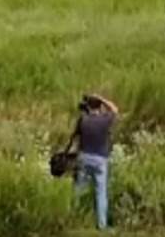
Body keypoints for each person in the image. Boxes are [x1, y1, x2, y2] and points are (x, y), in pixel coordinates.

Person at [68, 93, 118, 231]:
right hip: (100, 159)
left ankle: (73, 220)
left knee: (78, 190)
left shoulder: (83, 120)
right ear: (100, 106)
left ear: (88, 106)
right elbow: (115, 109)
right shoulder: (105, 119)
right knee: (101, 193)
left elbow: (75, 139)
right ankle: (102, 226)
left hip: (84, 157)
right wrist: (102, 98)